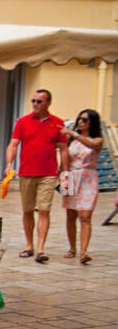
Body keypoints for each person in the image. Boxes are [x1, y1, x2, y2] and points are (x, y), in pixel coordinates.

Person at [5, 88, 68, 263]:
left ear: (48, 103)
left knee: (44, 211)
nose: (35, 104)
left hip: (49, 173)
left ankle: (40, 249)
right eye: (33, 101)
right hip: (26, 173)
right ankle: (29, 245)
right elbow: (13, 145)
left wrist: (65, 173)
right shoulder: (23, 122)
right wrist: (9, 164)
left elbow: (64, 150)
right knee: (27, 211)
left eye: (39, 101)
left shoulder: (58, 123)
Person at [61, 109, 104, 265]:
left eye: (85, 120)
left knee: (85, 216)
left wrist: (73, 134)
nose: (80, 122)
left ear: (92, 122)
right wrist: (62, 176)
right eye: (79, 118)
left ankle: (84, 251)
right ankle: (72, 248)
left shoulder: (97, 140)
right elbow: (64, 156)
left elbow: (91, 144)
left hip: (88, 177)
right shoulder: (71, 140)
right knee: (70, 215)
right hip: (71, 176)